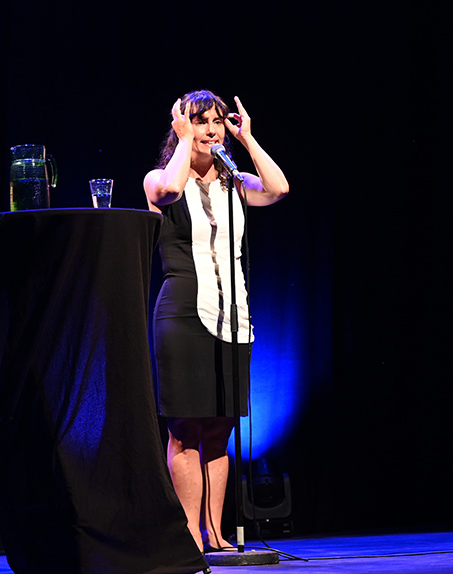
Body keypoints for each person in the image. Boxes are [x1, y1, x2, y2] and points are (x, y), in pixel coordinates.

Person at [143, 89, 289, 553]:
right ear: (182, 126)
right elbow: (167, 191)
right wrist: (186, 141)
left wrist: (247, 140)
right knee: (187, 427)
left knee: (220, 429)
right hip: (183, 311)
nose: (210, 129)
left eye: (217, 121)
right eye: (200, 121)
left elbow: (278, 189)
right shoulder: (161, 178)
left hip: (233, 315)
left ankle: (216, 532)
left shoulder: (234, 183)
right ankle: (188, 535)